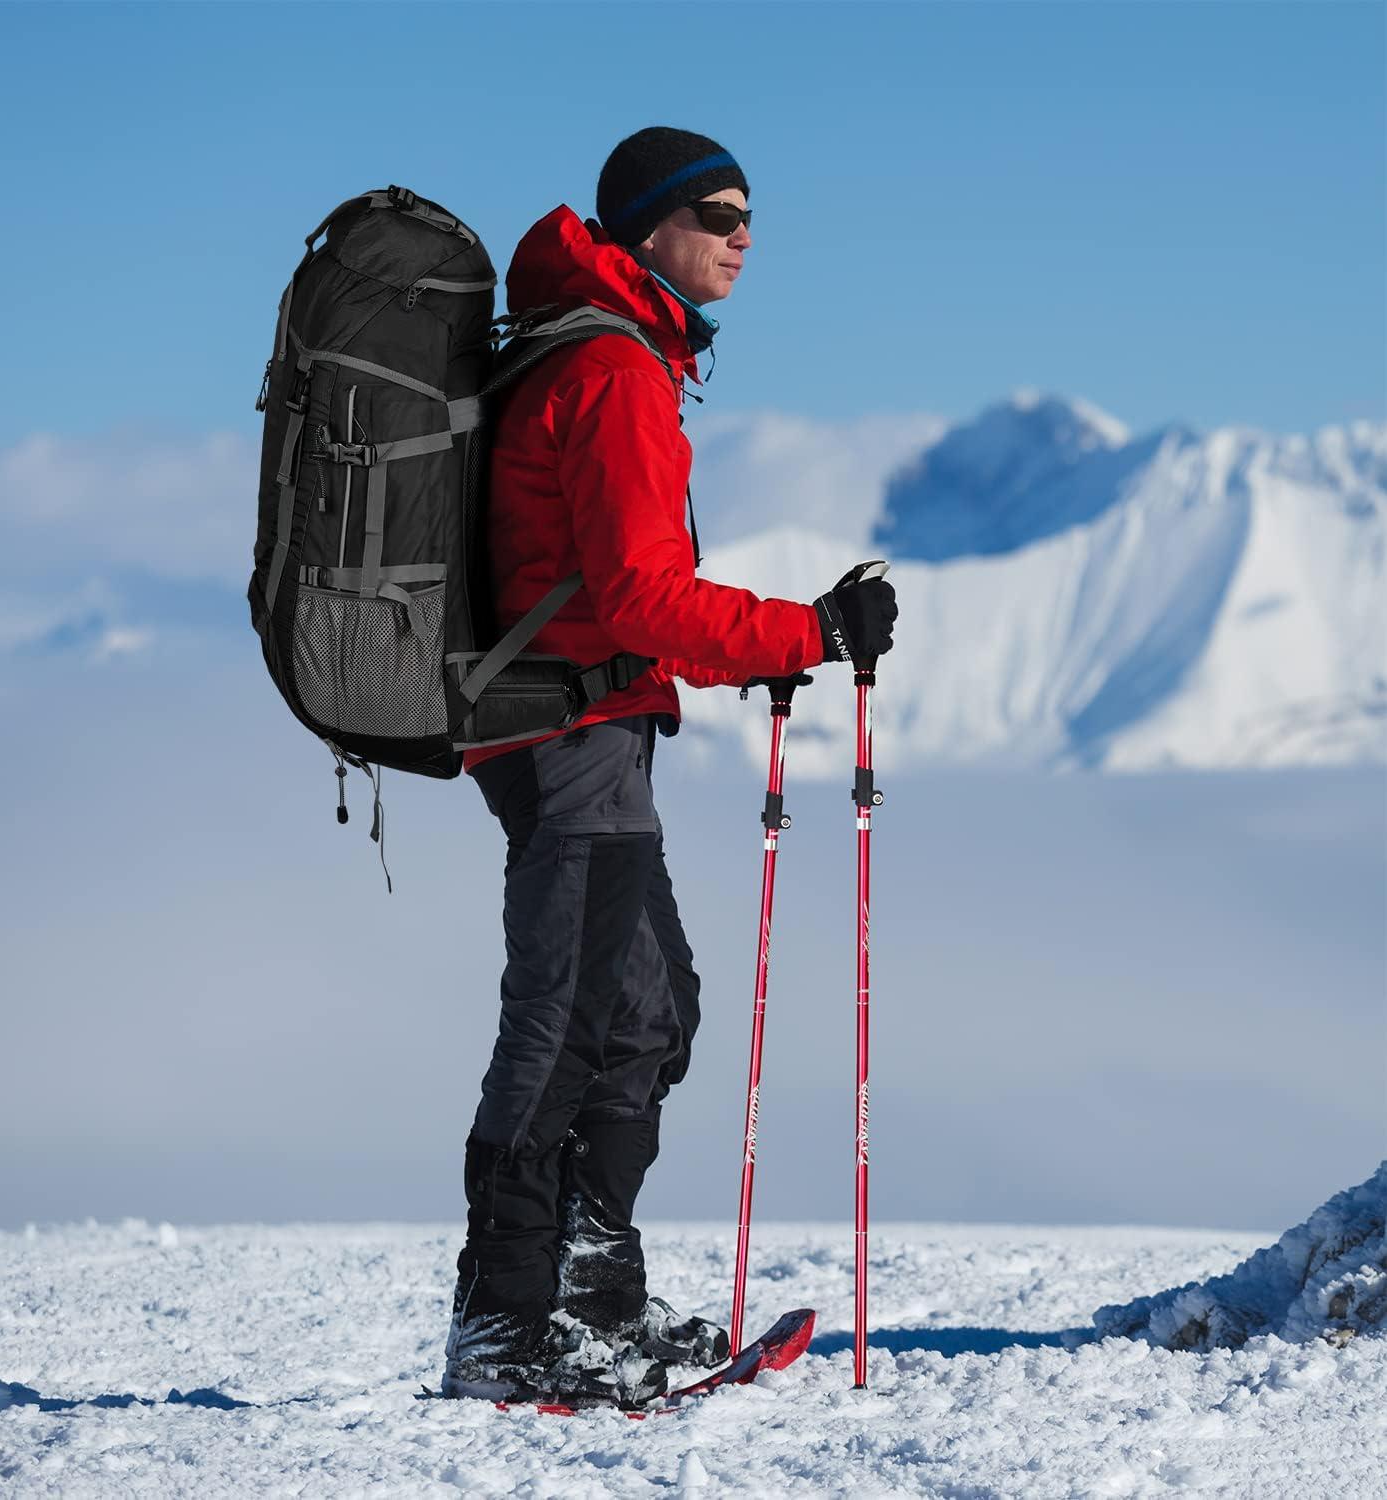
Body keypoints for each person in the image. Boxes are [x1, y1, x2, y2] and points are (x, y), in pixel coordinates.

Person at [443, 127, 899, 1404]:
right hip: (570, 729)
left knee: (646, 1011)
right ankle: (509, 1320)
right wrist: (803, 632)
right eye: (718, 213)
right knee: (568, 1020)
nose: (744, 235)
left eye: (753, 214)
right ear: (649, 229)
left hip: (575, 726)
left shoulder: (602, 348)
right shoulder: (612, 367)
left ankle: (593, 1298)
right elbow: (643, 597)